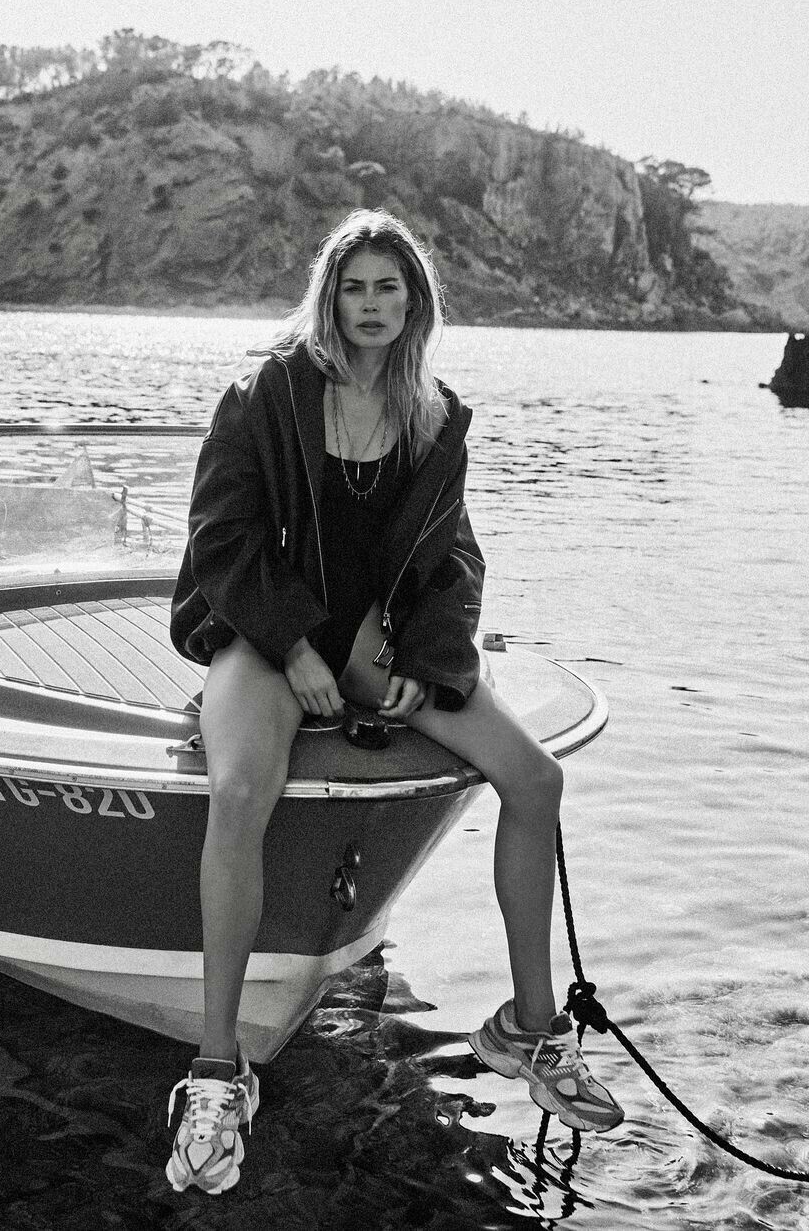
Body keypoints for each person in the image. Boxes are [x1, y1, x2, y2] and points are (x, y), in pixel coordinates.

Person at [166, 209, 623, 1196]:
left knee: (536, 779)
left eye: (389, 288)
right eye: (354, 287)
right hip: (264, 630)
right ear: (329, 297)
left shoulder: (434, 415)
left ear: (416, 302)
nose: (371, 305)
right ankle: (216, 1069)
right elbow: (220, 539)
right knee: (239, 791)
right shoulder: (267, 394)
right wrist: (294, 646)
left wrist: (422, 654)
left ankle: (529, 1029)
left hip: (375, 642)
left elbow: (453, 558)